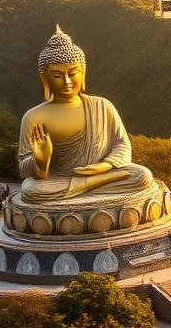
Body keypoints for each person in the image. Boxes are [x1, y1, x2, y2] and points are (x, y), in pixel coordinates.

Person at [17, 26, 156, 203]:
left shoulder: (102, 106)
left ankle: (89, 183)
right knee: (32, 190)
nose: (67, 82)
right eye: (57, 76)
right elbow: (24, 167)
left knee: (142, 175)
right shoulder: (34, 117)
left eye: (73, 73)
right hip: (59, 179)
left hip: (102, 172)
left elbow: (122, 143)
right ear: (45, 78)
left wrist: (105, 166)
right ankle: (92, 184)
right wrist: (41, 161)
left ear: (83, 72)